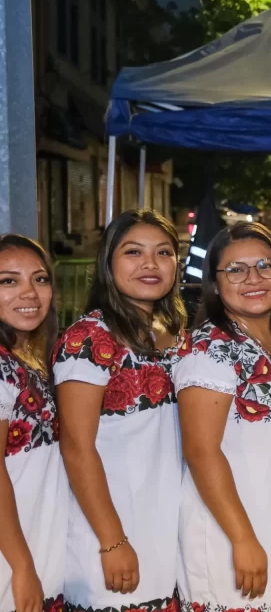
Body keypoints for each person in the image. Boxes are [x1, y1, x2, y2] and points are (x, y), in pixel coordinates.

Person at [173, 222, 271, 610]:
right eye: (235, 270)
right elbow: (201, 452)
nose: (253, 278)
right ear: (215, 282)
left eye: (265, 265)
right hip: (233, 533)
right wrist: (242, 539)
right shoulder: (209, 350)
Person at [54, 209, 186, 612]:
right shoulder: (88, 338)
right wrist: (112, 540)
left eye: (163, 252)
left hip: (166, 528)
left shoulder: (174, 333)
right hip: (112, 532)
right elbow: (76, 446)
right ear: (108, 263)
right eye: (134, 252)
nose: (150, 263)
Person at [0, 235, 67, 612]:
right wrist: (22, 566)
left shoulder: (29, 359)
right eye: (8, 281)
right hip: (12, 562)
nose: (29, 293)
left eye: (40, 279)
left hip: (38, 546)